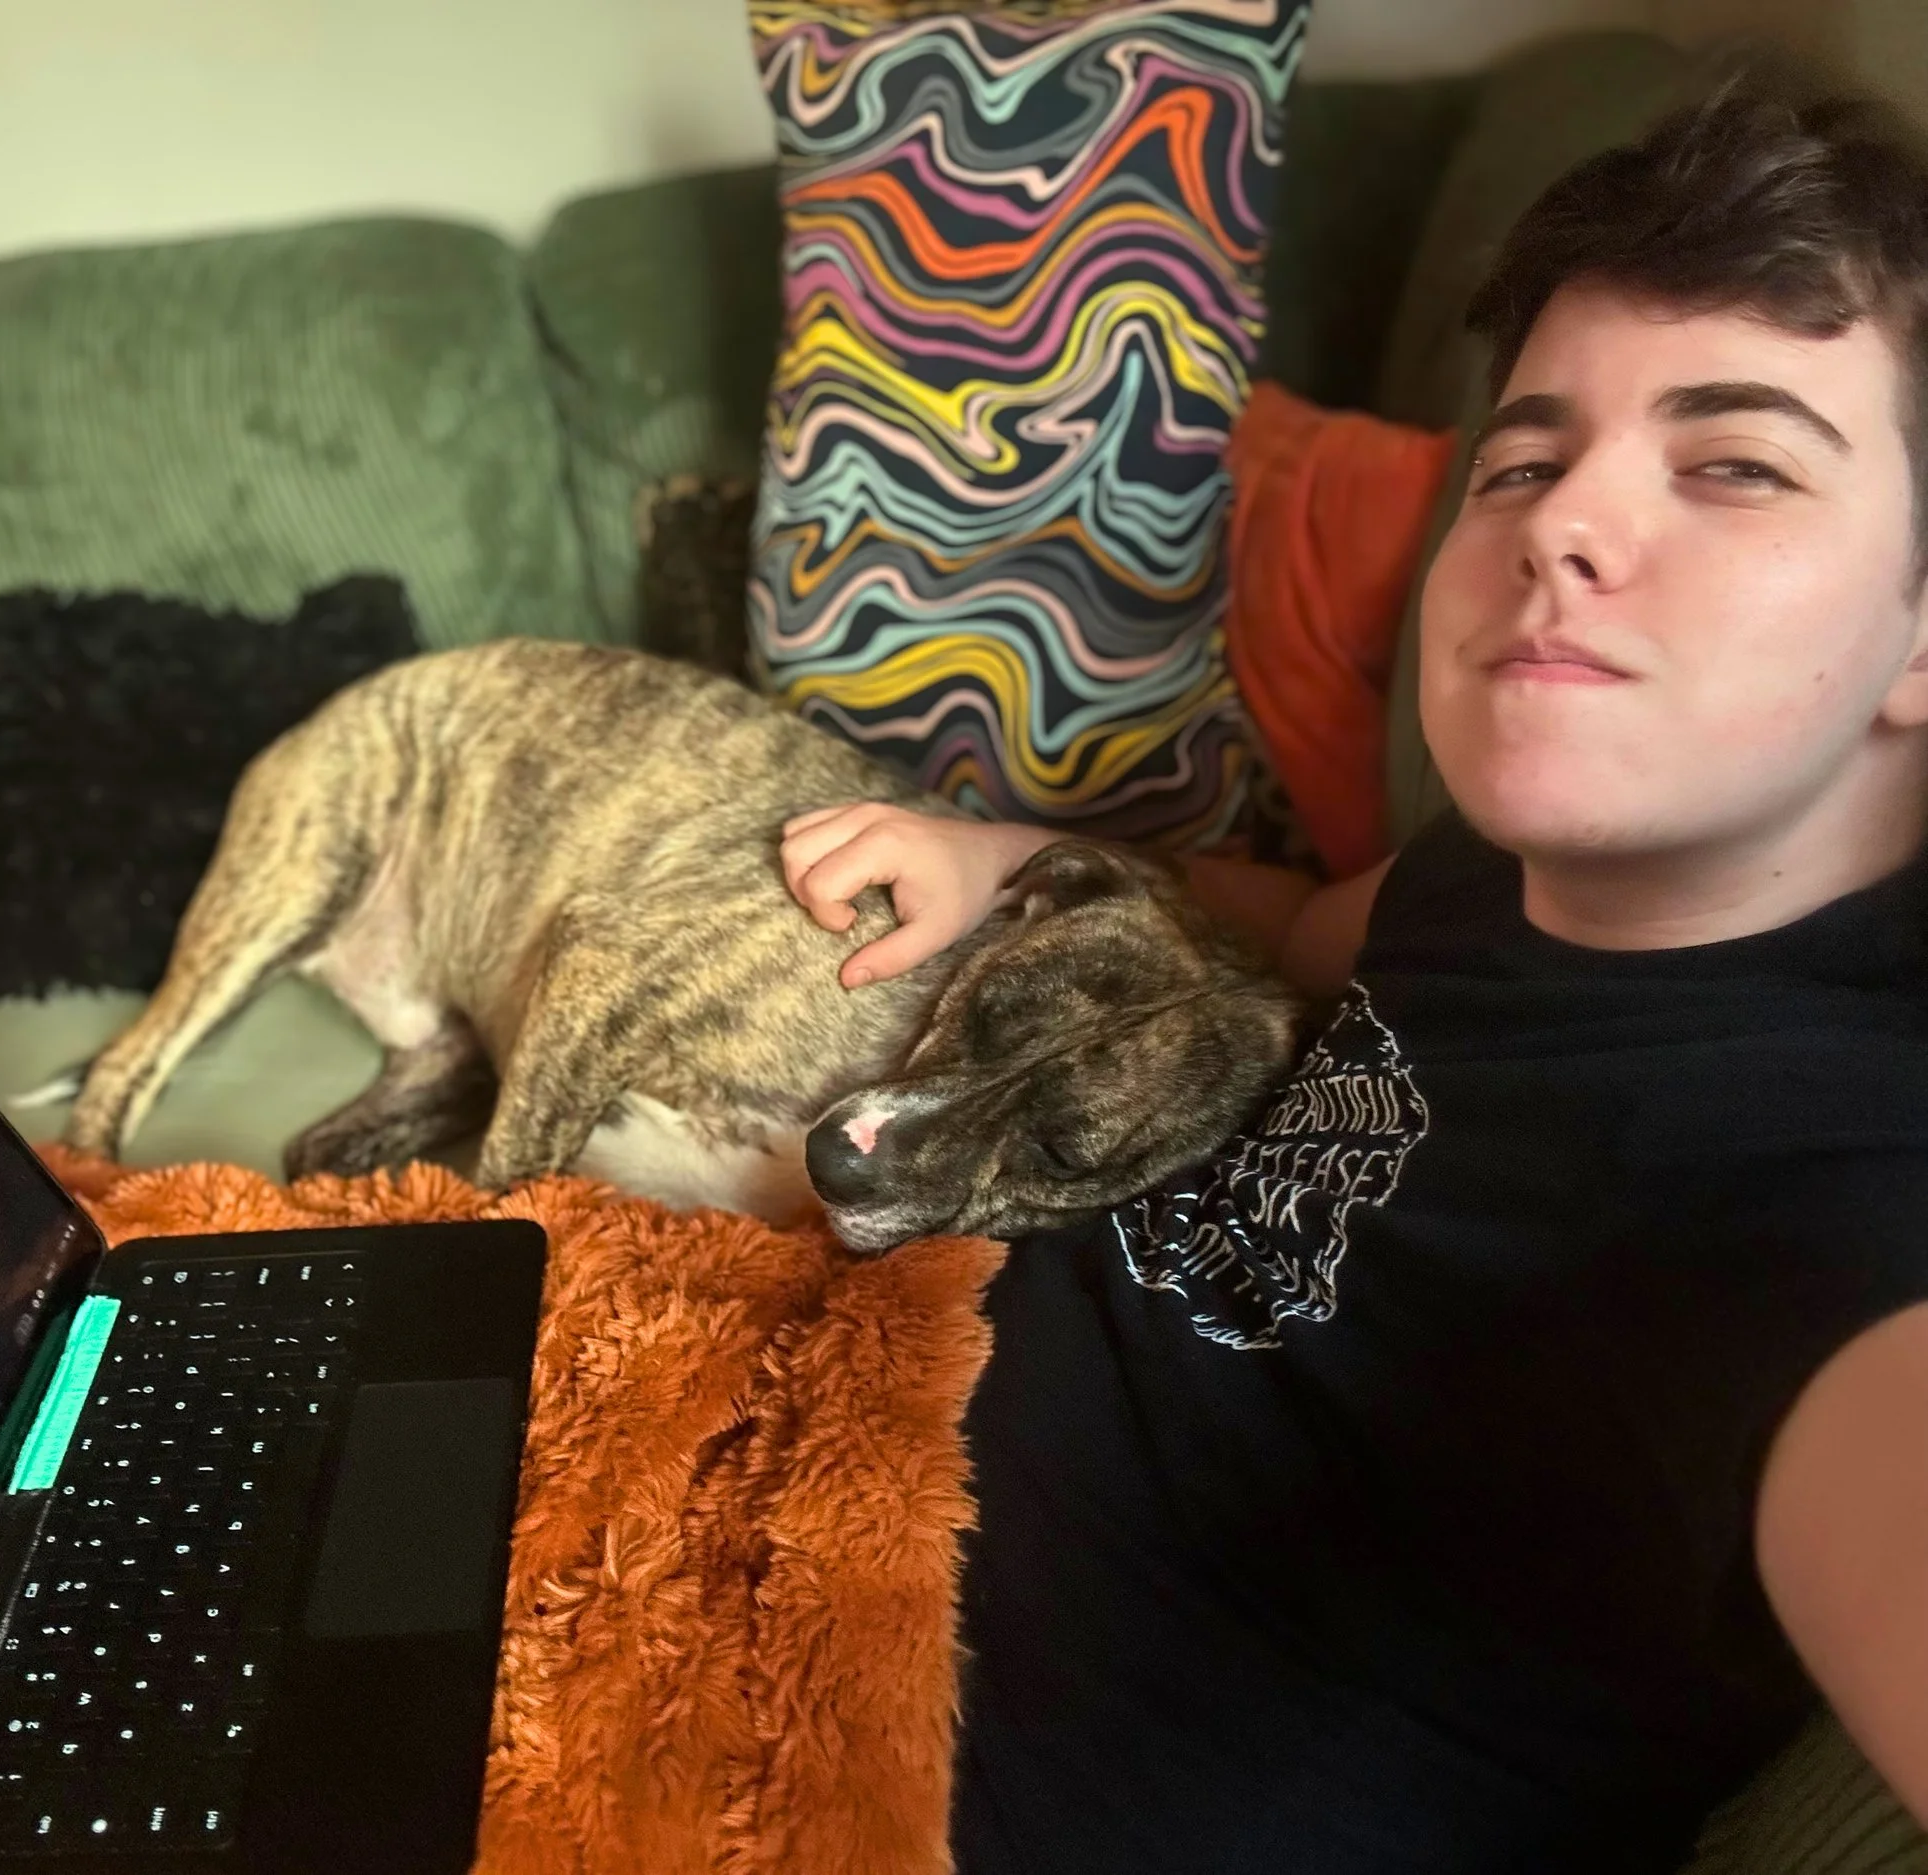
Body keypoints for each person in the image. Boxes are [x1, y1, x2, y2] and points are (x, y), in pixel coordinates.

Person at [780, 83, 1928, 1874]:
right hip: (795, 1468)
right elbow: (1291, 927)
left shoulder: (1842, 1207)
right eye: (1527, 460)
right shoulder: (1498, 874)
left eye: (1736, 463)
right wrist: (1014, 858)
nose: (1560, 526)